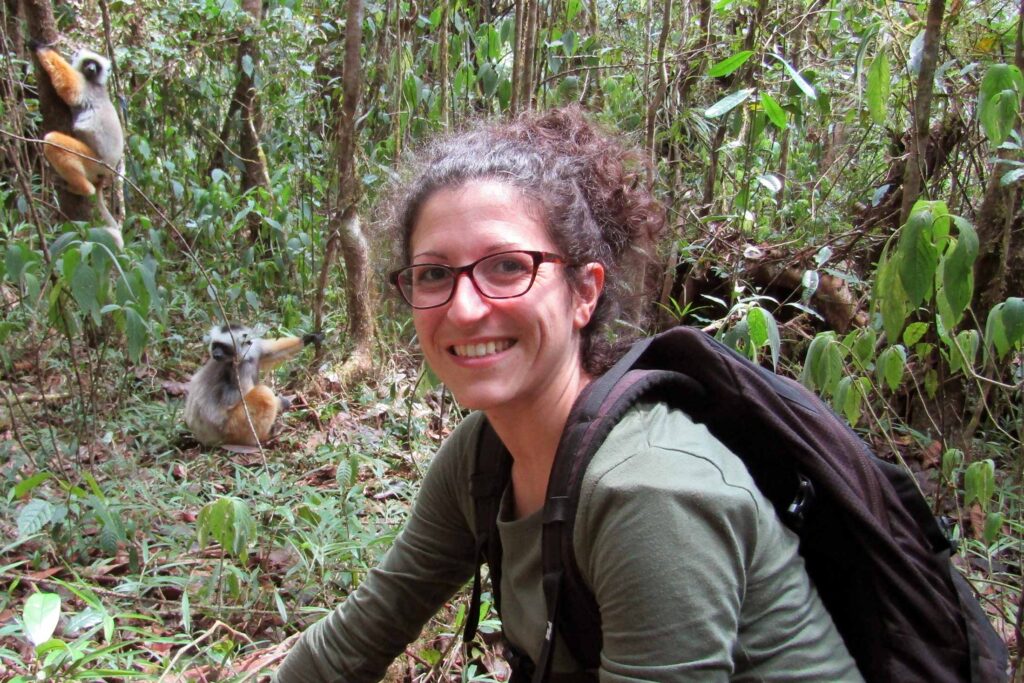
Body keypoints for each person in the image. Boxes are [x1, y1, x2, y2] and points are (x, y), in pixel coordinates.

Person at [273, 107, 863, 682]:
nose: (464, 306)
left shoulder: (649, 491)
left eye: (507, 266)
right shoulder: (483, 458)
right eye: (433, 273)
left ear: (585, 292)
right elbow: (362, 632)